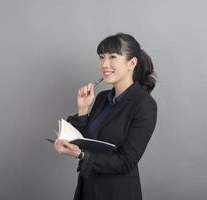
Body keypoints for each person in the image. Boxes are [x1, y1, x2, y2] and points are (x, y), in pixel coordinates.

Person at [54, 33, 157, 200]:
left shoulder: (144, 105)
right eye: (101, 57)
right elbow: (86, 140)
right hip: (87, 189)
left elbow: (126, 162)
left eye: (113, 57)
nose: (105, 64)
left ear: (132, 63)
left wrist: (81, 155)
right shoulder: (102, 98)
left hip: (116, 192)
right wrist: (83, 109)